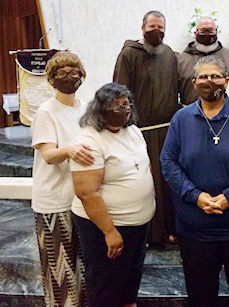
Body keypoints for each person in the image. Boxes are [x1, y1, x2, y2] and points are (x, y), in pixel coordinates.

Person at [161, 55, 229, 307]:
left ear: (226, 81)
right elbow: (168, 162)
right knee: (200, 295)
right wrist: (196, 196)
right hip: (195, 226)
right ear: (194, 82)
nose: (210, 81)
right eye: (204, 77)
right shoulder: (181, 119)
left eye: (216, 76)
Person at [71, 83, 156, 307]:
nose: (123, 109)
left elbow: (143, 168)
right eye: (115, 106)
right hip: (108, 227)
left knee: (129, 285)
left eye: (126, 104)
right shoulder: (88, 141)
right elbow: (86, 192)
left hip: (137, 224)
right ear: (100, 108)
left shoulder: (133, 131)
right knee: (106, 287)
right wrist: (109, 232)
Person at [113, 10, 179, 246]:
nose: (157, 31)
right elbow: (119, 91)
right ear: (142, 28)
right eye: (152, 27)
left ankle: (169, 229)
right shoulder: (129, 54)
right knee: (144, 180)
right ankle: (150, 233)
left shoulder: (170, 54)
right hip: (139, 131)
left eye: (161, 27)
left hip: (166, 130)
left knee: (166, 181)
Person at [31, 51, 91, 307]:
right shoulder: (46, 111)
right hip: (54, 201)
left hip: (81, 198)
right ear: (52, 78)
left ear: (82, 75)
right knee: (60, 273)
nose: (69, 76)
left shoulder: (85, 107)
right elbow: (48, 154)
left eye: (73, 71)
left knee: (83, 270)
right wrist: (68, 150)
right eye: (61, 73)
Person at [178, 15, 229, 105]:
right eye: (203, 30)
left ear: (216, 32)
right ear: (195, 33)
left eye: (210, 30)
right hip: (190, 113)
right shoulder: (182, 60)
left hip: (226, 111)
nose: (207, 34)